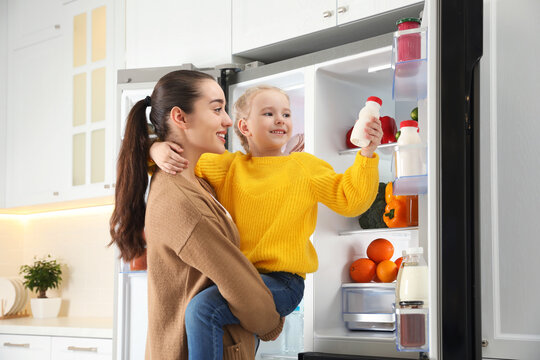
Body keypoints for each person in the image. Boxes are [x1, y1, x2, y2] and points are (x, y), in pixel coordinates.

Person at [150, 84, 384, 359]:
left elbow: (352, 200)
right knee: (241, 344)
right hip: (240, 281)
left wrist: (367, 154)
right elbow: (182, 160)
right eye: (268, 113)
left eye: (286, 114)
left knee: (203, 309)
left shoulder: (304, 167)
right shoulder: (228, 166)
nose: (280, 120)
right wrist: (155, 149)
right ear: (244, 127)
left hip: (283, 282)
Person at [109, 72, 284, 360]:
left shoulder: (192, 179)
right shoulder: (182, 200)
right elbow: (239, 284)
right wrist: (273, 322)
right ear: (180, 117)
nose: (227, 120)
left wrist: (152, 148)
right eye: (217, 109)